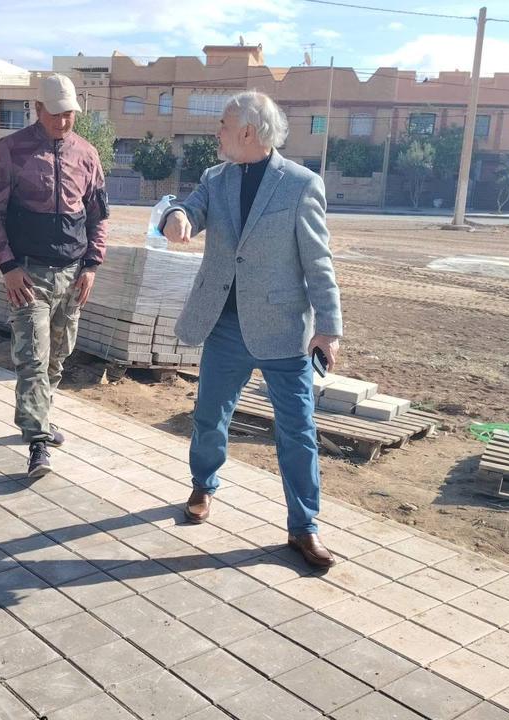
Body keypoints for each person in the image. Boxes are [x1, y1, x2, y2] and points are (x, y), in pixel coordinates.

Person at [161, 90, 344, 569]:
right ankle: (203, 485)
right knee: (209, 417)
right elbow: (189, 209)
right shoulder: (215, 178)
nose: (217, 132)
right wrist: (175, 217)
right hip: (224, 325)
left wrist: (329, 328)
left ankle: (304, 527)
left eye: (223, 124)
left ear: (247, 131)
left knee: (297, 432)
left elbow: (318, 261)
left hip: (283, 331)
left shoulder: (301, 184)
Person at [0, 74, 109, 478]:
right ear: (37, 109)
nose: (63, 121)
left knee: (57, 356)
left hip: (72, 275)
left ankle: (41, 415)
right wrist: (8, 266)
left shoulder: (87, 154)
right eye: (55, 113)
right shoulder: (12, 150)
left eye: (69, 113)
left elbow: (98, 217)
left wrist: (91, 266)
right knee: (33, 358)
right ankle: (37, 442)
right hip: (28, 276)